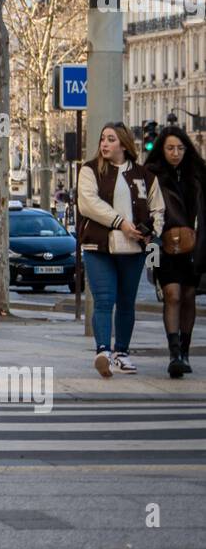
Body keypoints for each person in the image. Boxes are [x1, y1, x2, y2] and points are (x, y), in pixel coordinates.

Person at [77, 122, 164, 378]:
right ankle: (103, 351)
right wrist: (121, 223)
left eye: (111, 139)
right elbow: (88, 204)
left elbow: (157, 208)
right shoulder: (90, 171)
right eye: (102, 138)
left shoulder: (144, 175)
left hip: (133, 249)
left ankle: (121, 353)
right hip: (98, 246)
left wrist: (150, 231)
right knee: (103, 300)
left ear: (124, 144)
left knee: (126, 302)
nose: (104, 143)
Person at [145, 126, 206, 378]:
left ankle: (185, 352)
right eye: (170, 148)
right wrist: (149, 250)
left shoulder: (198, 174)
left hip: (196, 245)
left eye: (180, 148)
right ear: (162, 149)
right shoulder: (151, 175)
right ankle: (174, 354)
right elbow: (144, 212)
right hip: (163, 245)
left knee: (190, 296)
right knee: (172, 294)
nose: (175, 153)